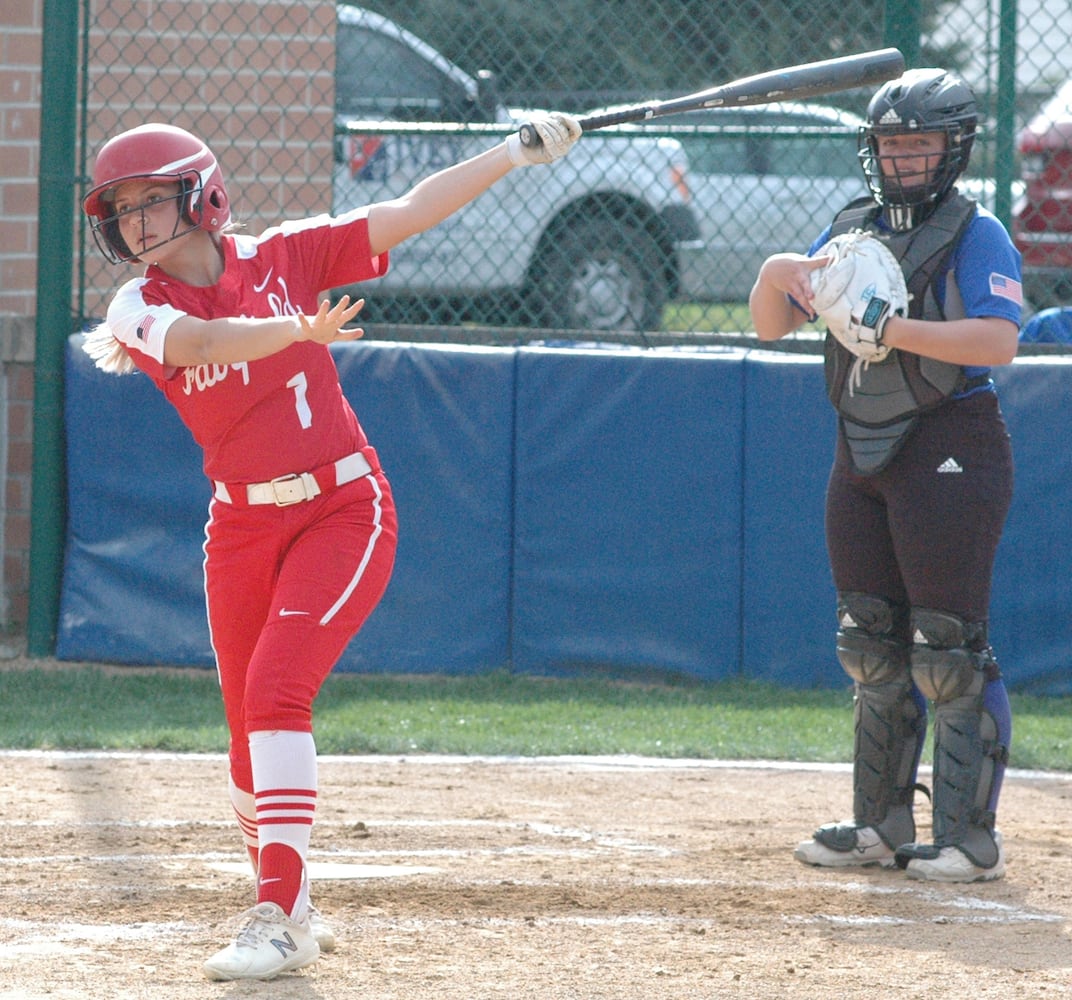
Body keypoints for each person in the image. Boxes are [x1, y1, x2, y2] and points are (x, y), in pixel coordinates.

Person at [80, 113, 581, 980]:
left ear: (203, 196)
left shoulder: (284, 256)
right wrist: (298, 333)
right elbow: (201, 344)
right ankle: (296, 910)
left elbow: (410, 210)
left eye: (151, 202)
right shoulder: (141, 306)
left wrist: (512, 152)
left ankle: (274, 913)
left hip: (343, 507)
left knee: (278, 691)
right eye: (121, 211)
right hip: (239, 524)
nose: (135, 225)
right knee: (245, 737)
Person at [748, 69, 1021, 883]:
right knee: (870, 640)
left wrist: (895, 328)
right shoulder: (851, 230)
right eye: (891, 144)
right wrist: (774, 272)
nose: (903, 159)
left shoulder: (977, 232)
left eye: (919, 144)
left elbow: (998, 342)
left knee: (949, 647)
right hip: (860, 442)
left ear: (953, 148)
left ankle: (972, 839)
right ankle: (881, 825)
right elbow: (770, 327)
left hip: (952, 442)